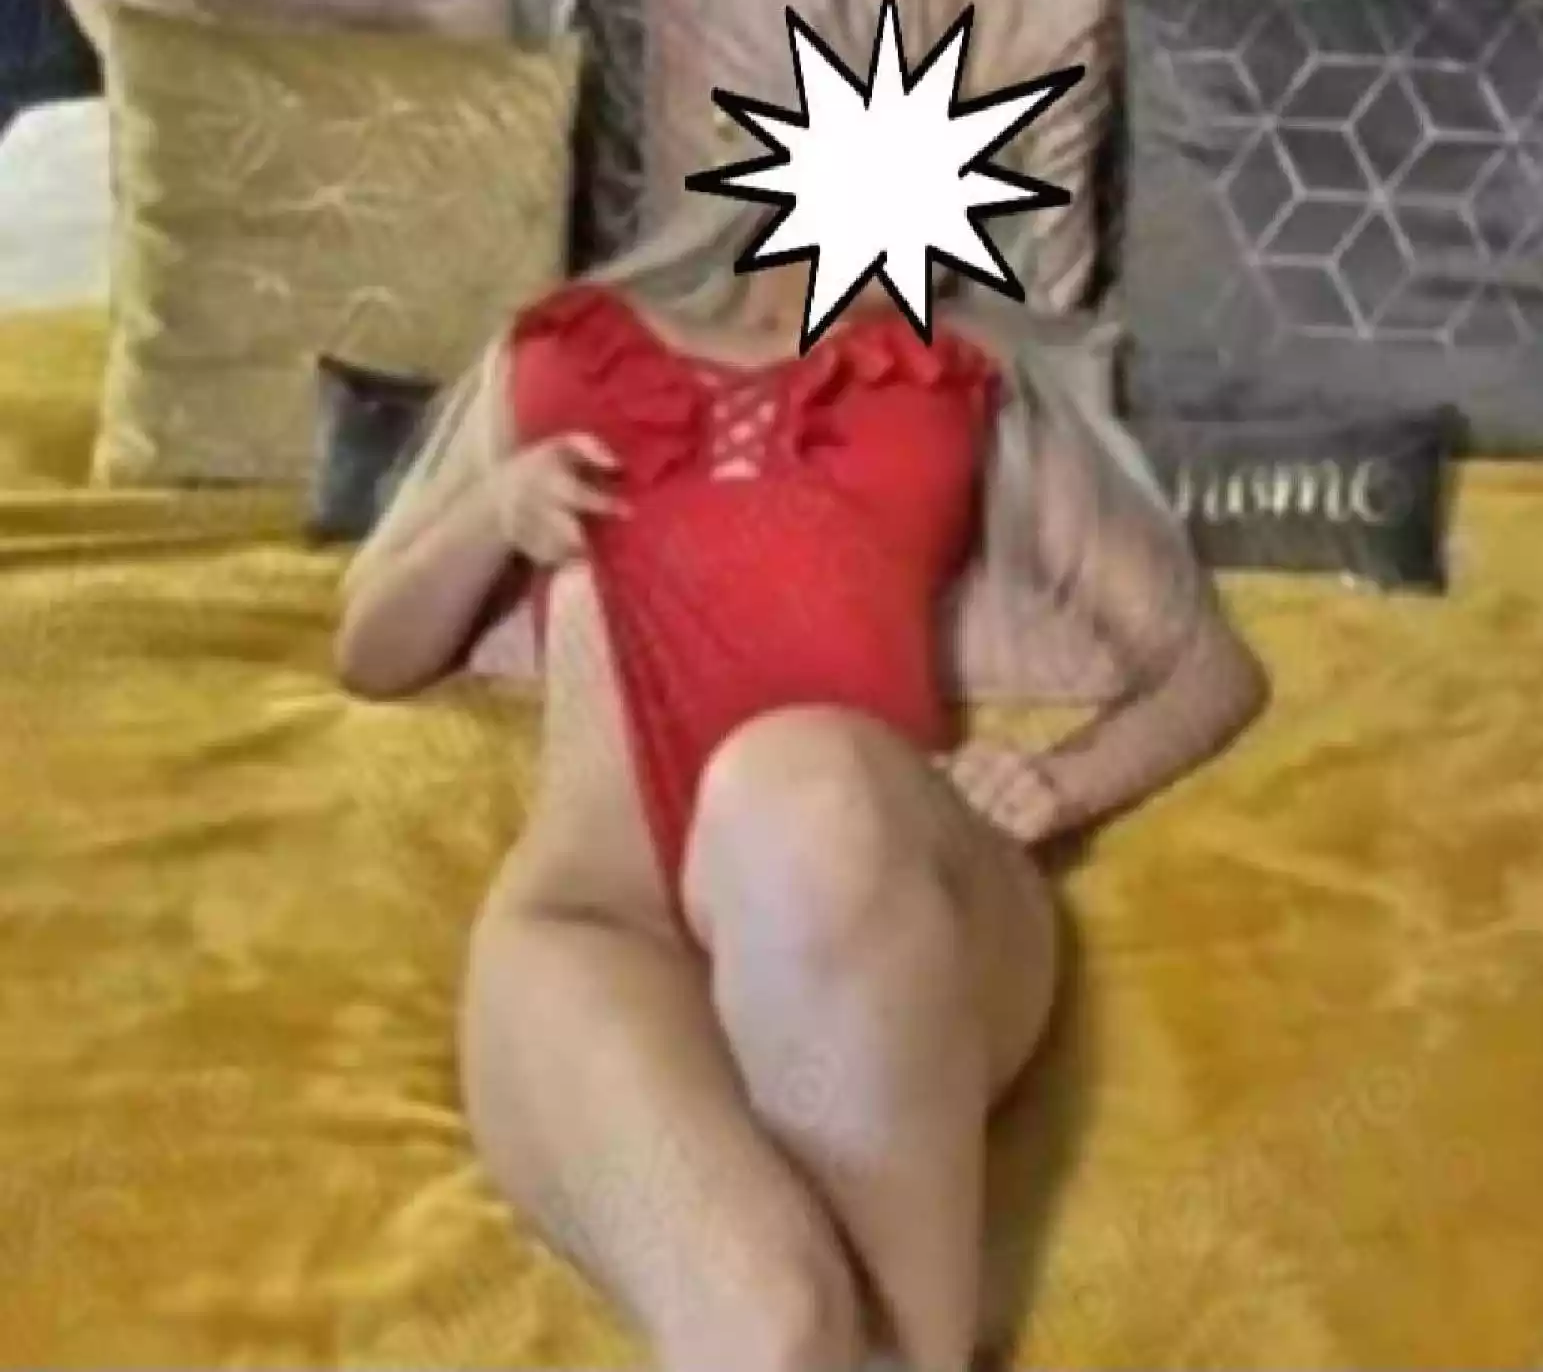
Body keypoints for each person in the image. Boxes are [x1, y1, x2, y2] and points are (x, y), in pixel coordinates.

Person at [335, 191, 1266, 1372]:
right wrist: (490, 511)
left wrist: (1063, 781)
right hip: (596, 923)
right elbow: (369, 650)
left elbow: (1205, 668)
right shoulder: (567, 350)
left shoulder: (946, 380)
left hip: (855, 882)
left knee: (790, 786)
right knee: (775, 1328)